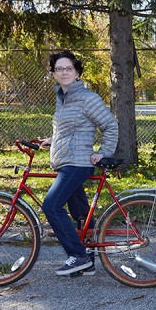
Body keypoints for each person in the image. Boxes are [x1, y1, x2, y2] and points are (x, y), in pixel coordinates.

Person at [40, 50, 118, 276]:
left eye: (69, 68)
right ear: (53, 73)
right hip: (67, 160)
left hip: (78, 163)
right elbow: (71, 129)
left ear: (77, 72)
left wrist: (103, 153)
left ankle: (78, 256)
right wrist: (51, 140)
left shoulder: (87, 98)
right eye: (59, 69)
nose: (64, 72)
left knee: (51, 206)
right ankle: (89, 261)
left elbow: (110, 126)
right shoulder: (63, 98)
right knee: (81, 214)